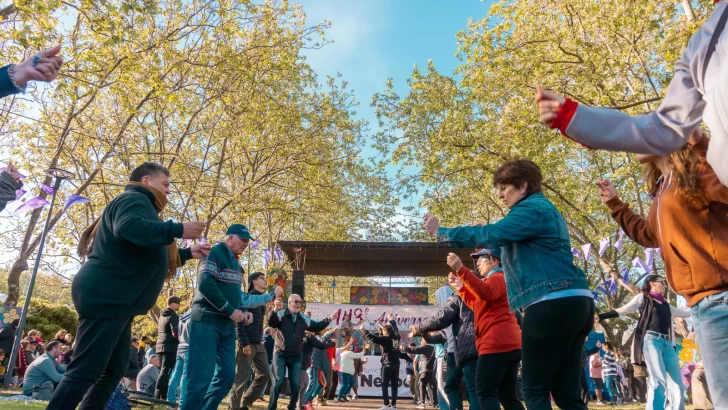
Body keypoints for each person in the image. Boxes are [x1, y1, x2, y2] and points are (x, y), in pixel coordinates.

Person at [424, 159, 593, 410]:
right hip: (577, 302)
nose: (501, 195)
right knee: (566, 393)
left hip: (550, 303)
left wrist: (442, 232)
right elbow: (515, 249)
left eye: (504, 188)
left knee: (534, 389)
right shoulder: (542, 211)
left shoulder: (530, 209)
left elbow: (493, 234)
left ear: (523, 186)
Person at [46, 162, 208, 410]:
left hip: (119, 301)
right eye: (165, 184)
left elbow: (143, 251)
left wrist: (187, 254)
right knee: (86, 368)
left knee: (113, 369)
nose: (168, 191)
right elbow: (129, 228)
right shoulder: (134, 199)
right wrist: (177, 229)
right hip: (108, 296)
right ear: (146, 181)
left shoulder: (142, 206)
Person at [595, 131, 728, 406]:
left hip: (720, 294)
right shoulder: (662, 187)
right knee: (721, 391)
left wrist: (700, 143)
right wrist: (615, 204)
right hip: (700, 301)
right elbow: (648, 234)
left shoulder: (697, 170)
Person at [182, 224, 283, 410]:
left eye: (247, 241)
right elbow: (205, 285)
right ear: (229, 238)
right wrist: (231, 310)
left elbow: (236, 294)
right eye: (243, 239)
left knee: (228, 376)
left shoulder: (236, 263)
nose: (246, 243)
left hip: (227, 326)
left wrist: (243, 310)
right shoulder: (214, 253)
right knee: (199, 376)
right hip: (206, 321)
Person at [444, 250, 524, 410]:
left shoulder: (497, 278)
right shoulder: (500, 281)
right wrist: (461, 286)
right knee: (507, 396)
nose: (477, 264)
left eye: (481, 259)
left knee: (485, 392)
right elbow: (478, 304)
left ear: (495, 261)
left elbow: (484, 292)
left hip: (495, 344)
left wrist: (460, 268)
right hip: (509, 345)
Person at [598, 274, 690, 410]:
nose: (665, 285)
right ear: (652, 283)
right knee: (658, 380)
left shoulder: (665, 303)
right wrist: (601, 316)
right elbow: (624, 310)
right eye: (662, 282)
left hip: (668, 344)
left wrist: (704, 306)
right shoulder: (643, 298)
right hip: (652, 341)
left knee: (677, 383)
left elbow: (684, 313)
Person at [413, 269, 479, 410]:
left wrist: (420, 328)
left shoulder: (457, 297)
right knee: (476, 388)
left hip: (459, 351)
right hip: (481, 348)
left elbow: (442, 318)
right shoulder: (483, 295)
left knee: (454, 386)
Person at [267, 294, 338, 410]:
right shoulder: (281, 314)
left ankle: (292, 407)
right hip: (280, 354)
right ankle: (271, 407)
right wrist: (274, 309)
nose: (298, 304)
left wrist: (329, 318)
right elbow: (271, 323)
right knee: (278, 382)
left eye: (300, 302)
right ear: (289, 303)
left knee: (296, 384)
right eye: (296, 302)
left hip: (296, 356)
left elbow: (316, 326)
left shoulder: (304, 318)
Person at [230, 272, 275, 410]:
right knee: (241, 378)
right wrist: (244, 343)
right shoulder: (248, 298)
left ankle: (246, 402)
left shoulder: (261, 300)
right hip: (246, 343)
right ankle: (234, 408)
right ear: (254, 281)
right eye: (262, 278)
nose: (265, 280)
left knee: (265, 374)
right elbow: (239, 322)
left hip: (258, 343)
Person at [362, 315, 401, 410]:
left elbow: (373, 339)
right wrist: (381, 325)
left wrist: (364, 330)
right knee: (394, 385)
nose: (382, 333)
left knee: (384, 384)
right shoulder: (397, 337)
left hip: (387, 364)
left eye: (383, 331)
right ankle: (394, 405)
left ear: (386, 331)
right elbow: (393, 329)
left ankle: (386, 404)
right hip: (396, 363)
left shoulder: (386, 339)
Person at [299, 329, 336, 410]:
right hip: (313, 364)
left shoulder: (316, 338)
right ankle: (304, 402)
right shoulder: (314, 338)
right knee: (313, 384)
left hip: (318, 365)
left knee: (323, 383)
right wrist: (331, 332)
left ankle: (309, 399)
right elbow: (323, 339)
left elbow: (323, 341)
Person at [155, 295, 181, 399]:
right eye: (178, 303)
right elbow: (175, 333)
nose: (179, 306)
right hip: (170, 347)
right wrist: (182, 341)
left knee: (163, 371)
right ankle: (157, 394)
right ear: (173, 303)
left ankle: (163, 395)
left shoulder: (162, 316)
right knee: (167, 371)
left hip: (160, 346)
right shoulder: (173, 316)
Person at [167, 310, 190, 406]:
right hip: (189, 347)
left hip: (180, 346)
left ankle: (170, 401)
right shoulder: (194, 315)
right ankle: (182, 401)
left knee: (176, 375)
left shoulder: (182, 317)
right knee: (185, 375)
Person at [406, 338, 437, 409]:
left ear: (424, 341)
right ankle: (435, 402)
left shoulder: (424, 347)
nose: (421, 342)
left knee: (422, 386)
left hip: (425, 369)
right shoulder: (433, 347)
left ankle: (422, 403)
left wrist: (404, 348)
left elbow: (413, 350)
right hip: (432, 369)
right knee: (432, 387)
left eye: (422, 340)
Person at [335, 339, 365, 403]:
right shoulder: (347, 353)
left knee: (351, 383)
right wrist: (363, 351)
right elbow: (357, 356)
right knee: (344, 384)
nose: (351, 347)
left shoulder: (345, 353)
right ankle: (339, 397)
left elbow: (356, 357)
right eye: (349, 346)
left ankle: (343, 395)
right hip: (345, 371)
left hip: (347, 371)